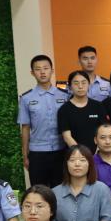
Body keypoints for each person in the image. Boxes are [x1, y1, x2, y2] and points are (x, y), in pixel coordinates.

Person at [18, 54, 69, 187]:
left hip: (61, 150)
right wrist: (25, 155)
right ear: (32, 73)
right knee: (39, 191)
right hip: (37, 153)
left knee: (61, 190)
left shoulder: (65, 95)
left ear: (52, 70)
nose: (42, 72)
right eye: (38, 69)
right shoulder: (26, 98)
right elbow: (25, 127)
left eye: (46, 68)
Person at [57, 70, 109, 154]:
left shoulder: (98, 106)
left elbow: (104, 130)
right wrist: (81, 155)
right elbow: (67, 137)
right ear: (70, 87)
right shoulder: (64, 110)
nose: (80, 86)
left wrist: (98, 151)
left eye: (84, 83)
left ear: (89, 85)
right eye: (76, 83)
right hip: (75, 155)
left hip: (98, 154)